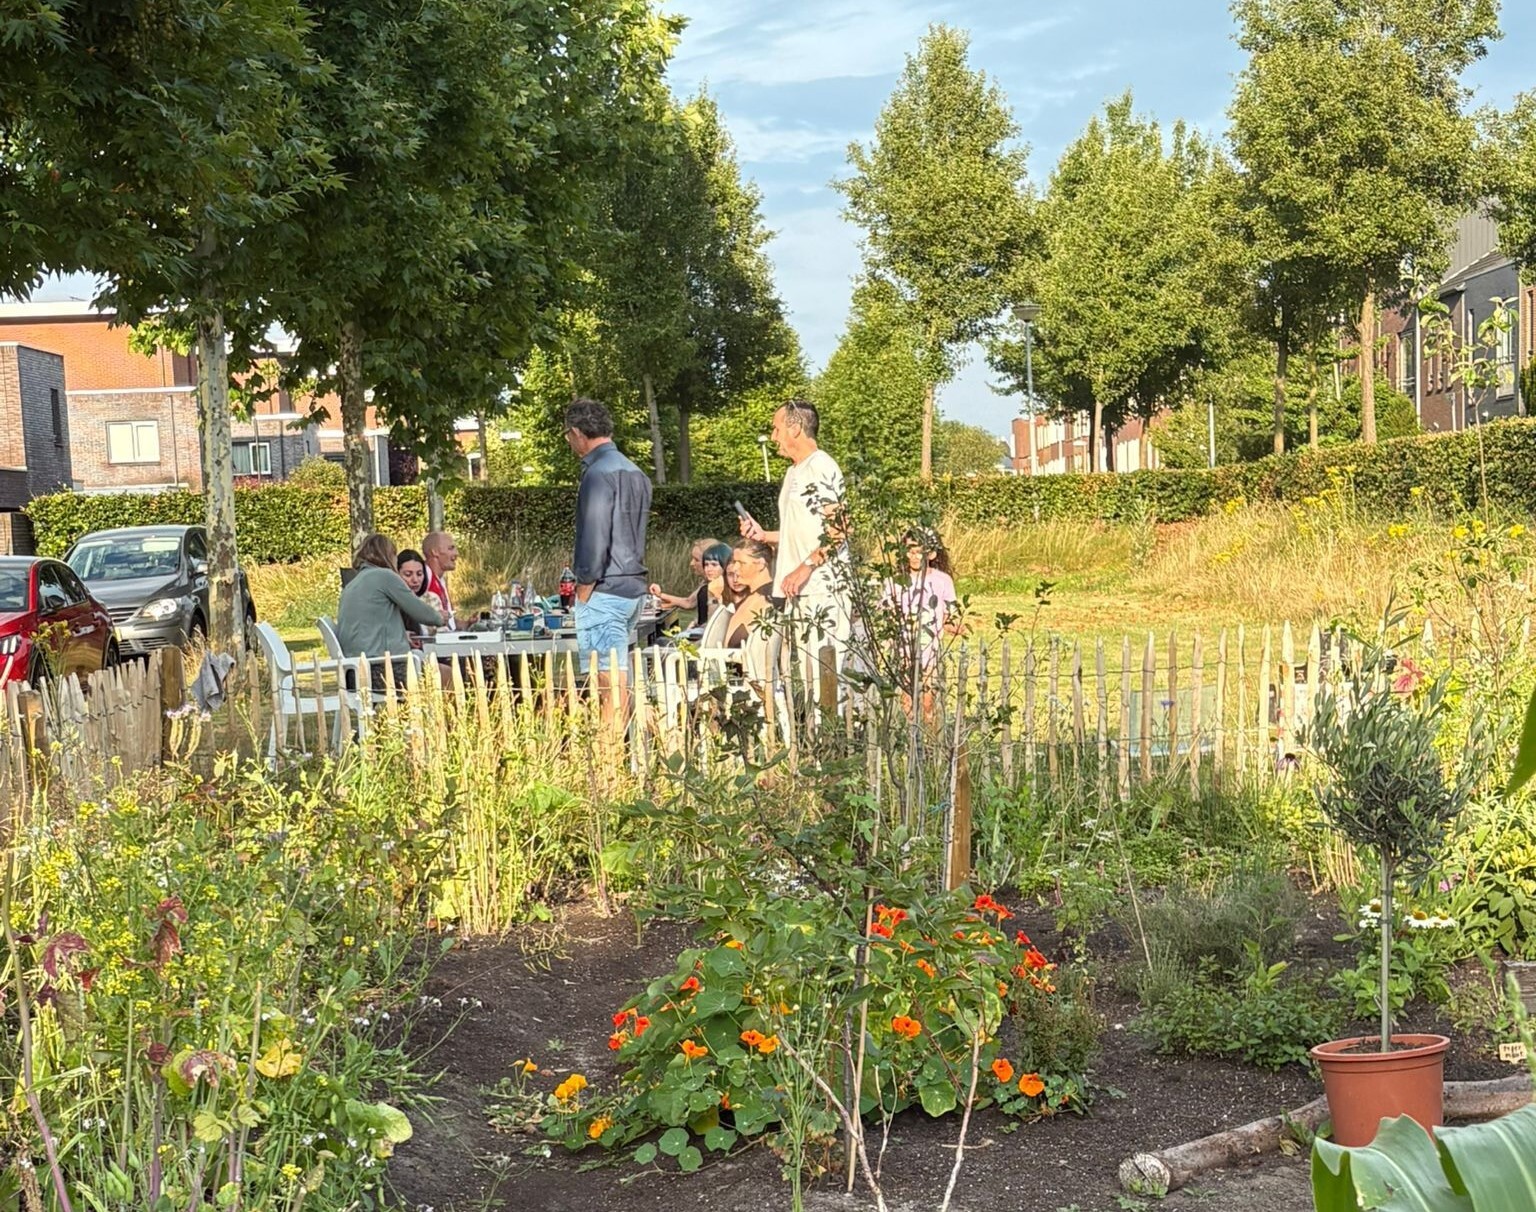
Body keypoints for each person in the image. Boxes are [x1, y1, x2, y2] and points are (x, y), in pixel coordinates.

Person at [739, 399, 850, 688]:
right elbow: (800, 531)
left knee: (826, 677)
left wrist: (805, 568)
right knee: (808, 678)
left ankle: (833, 733)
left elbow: (840, 529)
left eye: (776, 429)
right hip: (798, 592)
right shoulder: (793, 472)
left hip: (823, 590)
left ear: (796, 428)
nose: (773, 436)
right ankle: (814, 732)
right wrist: (764, 536)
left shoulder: (822, 466)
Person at [565, 397, 653, 720]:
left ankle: (609, 767)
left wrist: (584, 586)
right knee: (621, 681)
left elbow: (595, 534)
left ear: (576, 433)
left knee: (608, 691)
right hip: (633, 588)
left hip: (604, 590)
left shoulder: (597, 474)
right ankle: (623, 759)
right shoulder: (636, 472)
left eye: (568, 436)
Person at [337, 534, 445, 689]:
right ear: (388, 555)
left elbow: (371, 625)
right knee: (446, 674)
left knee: (429, 664)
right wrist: (441, 618)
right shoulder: (385, 576)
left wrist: (401, 634)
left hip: (354, 671)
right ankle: (448, 713)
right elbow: (421, 612)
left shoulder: (354, 583)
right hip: (380, 670)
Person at [887, 528, 962, 681]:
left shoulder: (943, 580)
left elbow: (948, 615)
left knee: (928, 700)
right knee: (907, 698)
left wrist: (952, 626)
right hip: (904, 649)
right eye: (910, 551)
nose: (914, 557)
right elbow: (889, 616)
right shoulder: (895, 583)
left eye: (919, 551)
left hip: (931, 649)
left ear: (931, 553)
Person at [649, 538, 727, 628]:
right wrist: (659, 595)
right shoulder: (706, 584)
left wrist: (694, 627)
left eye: (696, 560)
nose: (691, 563)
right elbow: (688, 602)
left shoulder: (717, 587)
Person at [396, 549, 444, 638]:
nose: (415, 580)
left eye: (419, 574)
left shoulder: (431, 598)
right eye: (408, 574)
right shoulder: (391, 603)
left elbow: (441, 633)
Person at [421, 531, 459, 627]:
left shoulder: (441, 580)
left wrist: (468, 623)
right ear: (435, 552)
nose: (456, 553)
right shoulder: (423, 576)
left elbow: (450, 624)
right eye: (451, 548)